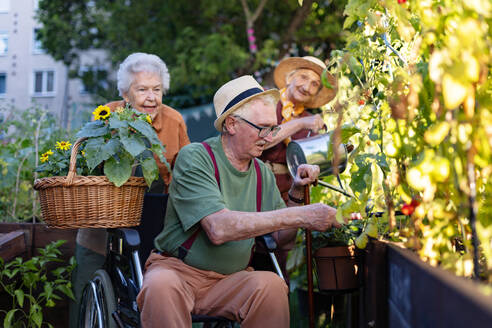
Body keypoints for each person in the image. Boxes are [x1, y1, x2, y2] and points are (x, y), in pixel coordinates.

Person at [136, 75, 342, 327]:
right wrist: (303, 216)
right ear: (232, 124)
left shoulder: (262, 172)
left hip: (231, 280)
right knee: (159, 286)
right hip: (179, 273)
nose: (269, 137)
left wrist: (297, 193)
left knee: (271, 286)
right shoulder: (196, 158)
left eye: (273, 128)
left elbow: (282, 239)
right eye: (262, 128)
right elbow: (218, 229)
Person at [69, 53, 190, 328]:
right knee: (87, 279)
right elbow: (91, 166)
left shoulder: (174, 121)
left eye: (157, 90)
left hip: (156, 222)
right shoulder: (107, 117)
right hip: (106, 217)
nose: (152, 97)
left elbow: (183, 173)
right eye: (142, 89)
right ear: (125, 93)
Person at [254, 56, 337, 281]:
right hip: (255, 183)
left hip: (288, 191)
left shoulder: (311, 120)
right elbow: (260, 142)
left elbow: (316, 162)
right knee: (250, 245)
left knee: (280, 251)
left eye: (314, 84)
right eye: (303, 77)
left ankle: (277, 302)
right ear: (290, 78)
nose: (307, 86)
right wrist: (299, 124)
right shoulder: (267, 102)